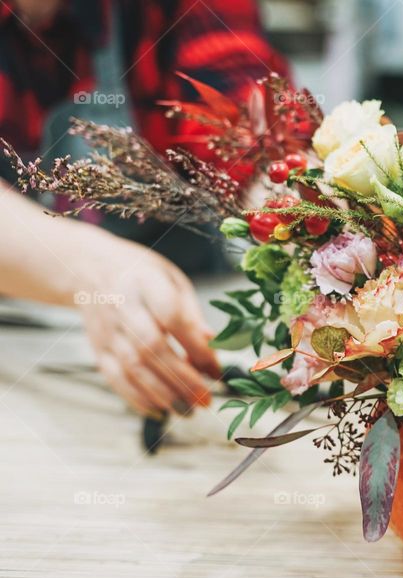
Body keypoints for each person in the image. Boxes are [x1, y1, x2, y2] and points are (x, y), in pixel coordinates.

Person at [0, 0, 288, 415]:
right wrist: (99, 273)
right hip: (17, 365)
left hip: (185, 331)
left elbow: (249, 116)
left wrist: (298, 205)